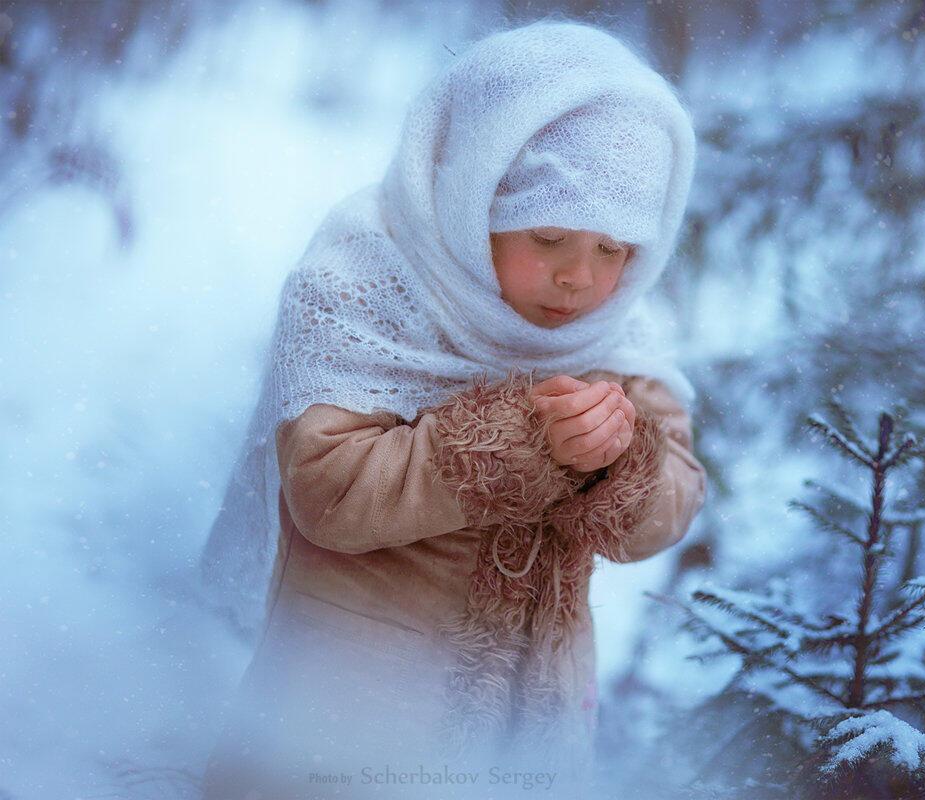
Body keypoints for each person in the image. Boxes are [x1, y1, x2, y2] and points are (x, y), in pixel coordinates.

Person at [198, 17, 704, 800]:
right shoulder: (365, 284)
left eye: (615, 249)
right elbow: (328, 492)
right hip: (340, 727)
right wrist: (520, 440)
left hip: (530, 735)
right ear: (473, 192)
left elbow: (668, 509)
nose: (581, 277)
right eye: (549, 235)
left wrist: (619, 458)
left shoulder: (622, 334)